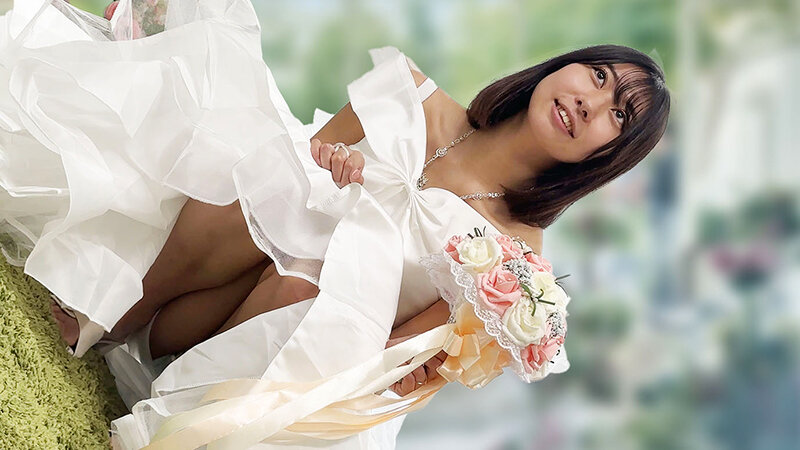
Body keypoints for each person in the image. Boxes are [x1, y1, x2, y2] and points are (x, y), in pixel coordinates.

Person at [0, 0, 669, 446]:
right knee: (291, 180)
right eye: (599, 75)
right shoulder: (416, 95)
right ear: (565, 66)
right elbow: (299, 158)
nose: (591, 102)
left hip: (289, 345)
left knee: (303, 283)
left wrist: (419, 372)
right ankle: (116, 315)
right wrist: (331, 164)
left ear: (609, 155)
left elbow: (396, 355)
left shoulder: (516, 262)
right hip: (216, 263)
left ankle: (181, 407)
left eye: (618, 114)